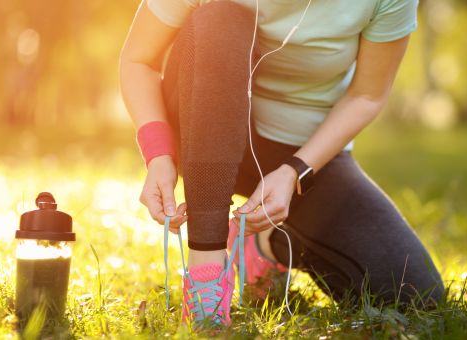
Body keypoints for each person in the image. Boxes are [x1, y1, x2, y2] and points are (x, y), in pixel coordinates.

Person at [119, 0, 444, 326]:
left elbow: (367, 96)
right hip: (204, 123)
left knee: (416, 292)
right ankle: (207, 284)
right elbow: (139, 59)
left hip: (305, 150)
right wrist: (159, 155)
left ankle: (263, 243)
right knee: (222, 16)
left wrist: (295, 171)